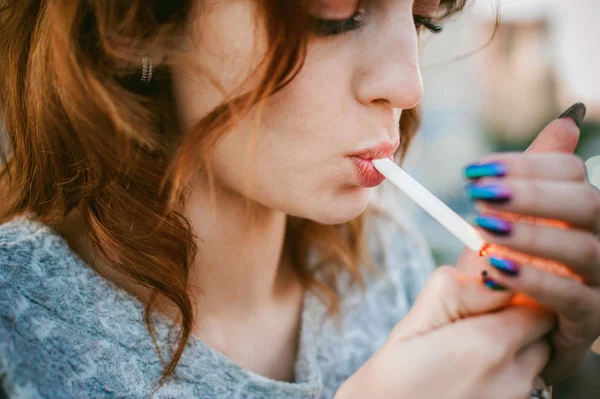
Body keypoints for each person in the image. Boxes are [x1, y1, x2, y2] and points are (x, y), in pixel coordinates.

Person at [0, 0, 598, 398]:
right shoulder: (20, 329)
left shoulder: (390, 268)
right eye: (335, 16)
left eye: (422, 20)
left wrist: (552, 366)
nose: (408, 84)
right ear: (141, 26)